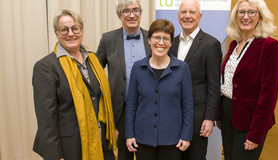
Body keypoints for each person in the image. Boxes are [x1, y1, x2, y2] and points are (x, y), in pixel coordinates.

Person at [32, 9, 117, 160]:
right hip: (70, 149)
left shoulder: (94, 60)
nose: (71, 34)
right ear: (56, 33)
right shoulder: (46, 67)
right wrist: (54, 156)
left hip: (101, 144)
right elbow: (46, 121)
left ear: (82, 30)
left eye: (75, 28)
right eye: (64, 29)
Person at [219, 0, 278, 159]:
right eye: (241, 12)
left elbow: (269, 95)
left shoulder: (270, 46)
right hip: (228, 114)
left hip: (250, 120)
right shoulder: (234, 44)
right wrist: (220, 114)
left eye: (251, 12)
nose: (245, 16)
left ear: (260, 17)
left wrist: (256, 133)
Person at [125, 19, 194, 160]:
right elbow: (132, 103)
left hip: (172, 140)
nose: (161, 43)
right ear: (149, 39)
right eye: (157, 37)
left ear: (171, 42)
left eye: (166, 39)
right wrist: (129, 134)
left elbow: (187, 105)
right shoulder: (138, 67)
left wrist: (186, 135)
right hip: (142, 138)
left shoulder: (182, 68)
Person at [95, 0, 151, 159]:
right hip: (120, 112)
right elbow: (96, 71)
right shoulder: (108, 39)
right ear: (119, 15)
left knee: (147, 155)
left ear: (141, 13)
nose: (132, 14)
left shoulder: (152, 38)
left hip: (148, 109)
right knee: (123, 155)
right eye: (126, 11)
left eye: (136, 10)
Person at [169, 0, 222, 159]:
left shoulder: (211, 44)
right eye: (183, 12)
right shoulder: (171, 43)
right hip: (172, 117)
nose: (187, 16)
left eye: (192, 12)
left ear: (200, 16)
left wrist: (209, 118)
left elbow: (214, 85)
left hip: (197, 119)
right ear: (178, 16)